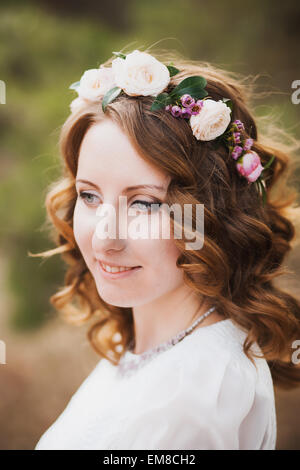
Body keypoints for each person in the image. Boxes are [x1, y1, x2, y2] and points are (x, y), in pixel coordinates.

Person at [32, 48, 300, 450]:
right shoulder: (148, 346)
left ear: (208, 215)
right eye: (89, 196)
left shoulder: (190, 402)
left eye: (144, 203)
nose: (105, 238)